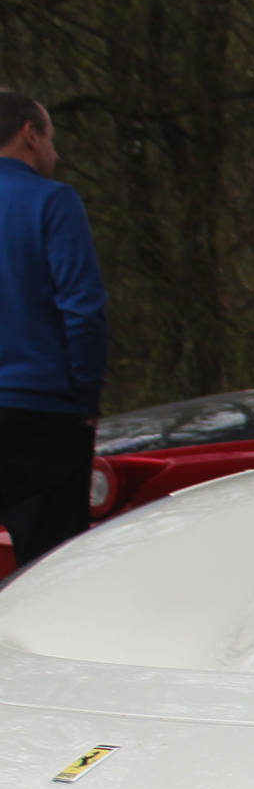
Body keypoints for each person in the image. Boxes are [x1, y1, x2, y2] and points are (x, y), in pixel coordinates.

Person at [0, 90, 106, 565]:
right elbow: (82, 309)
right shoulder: (53, 202)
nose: (56, 154)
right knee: (48, 571)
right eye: (51, 139)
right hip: (40, 412)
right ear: (29, 133)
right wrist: (86, 400)